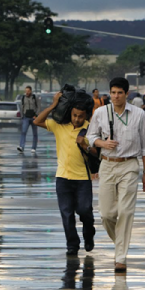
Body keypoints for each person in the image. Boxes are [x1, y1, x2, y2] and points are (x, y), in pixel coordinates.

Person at [85, 77, 145, 273]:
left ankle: (120, 257)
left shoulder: (139, 115)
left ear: (127, 94)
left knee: (125, 211)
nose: (116, 96)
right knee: (106, 214)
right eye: (113, 93)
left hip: (129, 166)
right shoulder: (100, 113)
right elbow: (90, 137)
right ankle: (121, 244)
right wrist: (102, 144)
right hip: (107, 165)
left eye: (120, 93)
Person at [35, 92, 97, 256]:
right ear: (70, 112)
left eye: (80, 116)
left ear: (86, 115)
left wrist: (84, 145)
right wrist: (53, 105)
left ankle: (89, 233)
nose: (77, 119)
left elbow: (97, 153)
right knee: (66, 213)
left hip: (83, 179)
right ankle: (72, 245)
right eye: (74, 115)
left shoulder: (90, 129)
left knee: (85, 211)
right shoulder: (59, 126)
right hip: (62, 177)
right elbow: (37, 121)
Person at [17, 86, 40, 153]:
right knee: (23, 132)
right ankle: (21, 146)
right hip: (26, 117)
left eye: (28, 91)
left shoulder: (35, 97)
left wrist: (36, 115)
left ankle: (33, 148)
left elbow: (38, 107)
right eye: (26, 91)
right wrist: (22, 116)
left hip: (34, 118)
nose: (27, 92)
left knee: (35, 133)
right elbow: (22, 107)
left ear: (31, 91)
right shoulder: (23, 98)